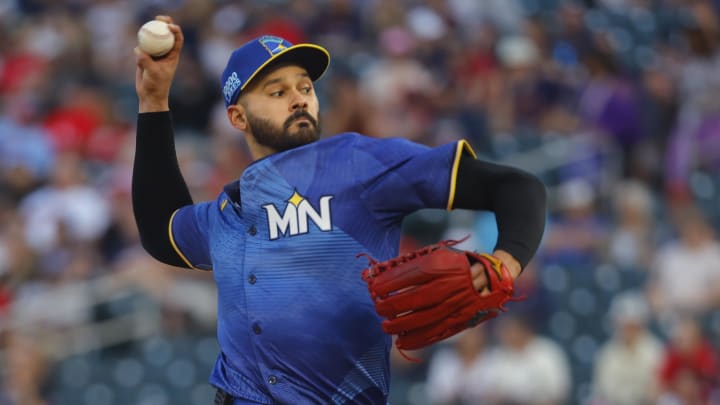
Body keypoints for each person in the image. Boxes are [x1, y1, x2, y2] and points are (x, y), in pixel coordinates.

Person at [132, 16, 547, 405]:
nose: (298, 98)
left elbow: (517, 187)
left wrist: (505, 262)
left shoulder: (357, 162)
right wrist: (153, 99)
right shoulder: (226, 214)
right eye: (278, 92)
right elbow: (161, 231)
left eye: (305, 87)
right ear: (237, 117)